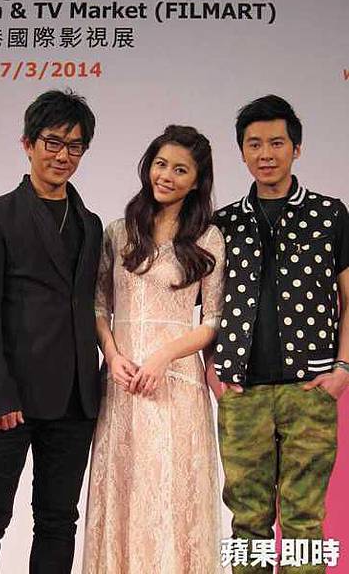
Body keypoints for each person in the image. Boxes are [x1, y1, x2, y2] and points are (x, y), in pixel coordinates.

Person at [0, 89, 102, 574]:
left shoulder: (91, 224)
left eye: (75, 146)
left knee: (58, 523)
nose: (63, 155)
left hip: (76, 401)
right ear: (28, 144)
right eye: (53, 142)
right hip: (9, 399)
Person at [208, 95, 349, 574]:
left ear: (297, 148)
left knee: (305, 520)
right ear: (242, 152)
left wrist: (343, 369)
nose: (265, 153)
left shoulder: (330, 215)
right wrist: (212, 368)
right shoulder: (223, 223)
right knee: (246, 521)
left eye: (276, 142)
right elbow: (206, 306)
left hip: (309, 390)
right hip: (242, 393)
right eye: (254, 144)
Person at [82, 125, 225, 573]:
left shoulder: (208, 238)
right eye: (161, 164)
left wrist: (164, 356)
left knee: (173, 496)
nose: (167, 175)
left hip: (176, 387)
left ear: (197, 181)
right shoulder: (118, 232)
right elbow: (99, 306)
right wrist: (112, 355)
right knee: (124, 493)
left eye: (181, 170)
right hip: (123, 383)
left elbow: (213, 321)